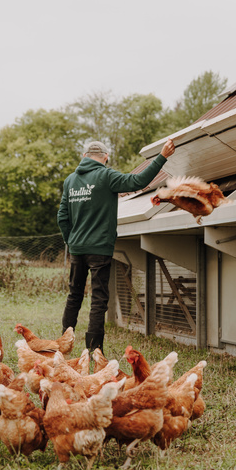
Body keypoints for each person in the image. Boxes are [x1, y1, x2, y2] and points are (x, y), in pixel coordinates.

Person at [58, 137, 176, 353]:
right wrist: (162, 157)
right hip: (99, 249)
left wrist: (71, 240)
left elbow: (62, 216)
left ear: (83, 157)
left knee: (74, 294)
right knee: (98, 299)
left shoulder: (70, 181)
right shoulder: (106, 175)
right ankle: (94, 350)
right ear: (105, 158)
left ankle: (63, 343)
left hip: (77, 249)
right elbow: (139, 181)